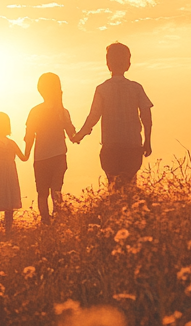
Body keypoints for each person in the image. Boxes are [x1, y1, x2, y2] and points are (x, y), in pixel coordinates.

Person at [73, 42, 153, 189]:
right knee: (130, 186)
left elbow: (93, 117)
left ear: (108, 64)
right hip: (133, 145)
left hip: (111, 147)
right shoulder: (136, 88)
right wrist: (147, 140)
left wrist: (80, 135)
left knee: (114, 187)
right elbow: (146, 117)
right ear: (128, 64)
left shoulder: (102, 89)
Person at [23, 72, 78, 225]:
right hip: (59, 156)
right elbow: (72, 135)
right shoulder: (62, 111)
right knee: (56, 190)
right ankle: (59, 221)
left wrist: (26, 154)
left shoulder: (35, 111)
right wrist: (81, 135)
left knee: (42, 193)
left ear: (40, 89)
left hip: (40, 158)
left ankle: (45, 223)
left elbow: (29, 136)